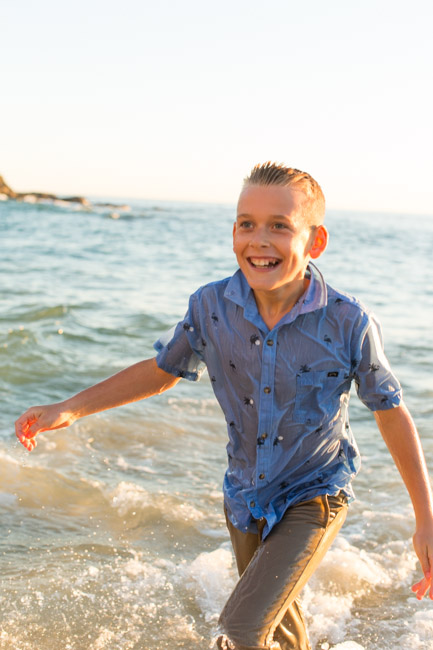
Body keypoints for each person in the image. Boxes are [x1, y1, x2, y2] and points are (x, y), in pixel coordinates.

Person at [15, 162, 433, 650]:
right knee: (276, 627)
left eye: (280, 225)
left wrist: (424, 518)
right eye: (246, 223)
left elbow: (390, 410)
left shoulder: (347, 321)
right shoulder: (211, 307)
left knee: (237, 630)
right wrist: (69, 408)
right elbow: (161, 370)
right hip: (245, 497)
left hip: (316, 494)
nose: (259, 239)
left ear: (314, 242)